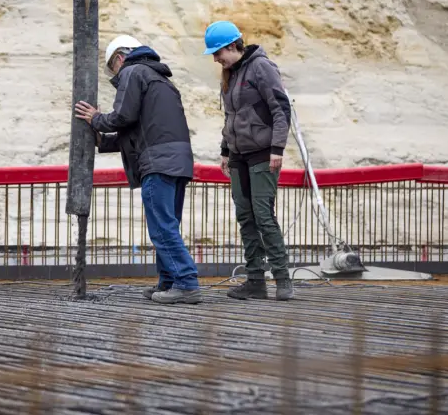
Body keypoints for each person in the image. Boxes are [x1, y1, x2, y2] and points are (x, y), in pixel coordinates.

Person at [74, 34, 202, 305]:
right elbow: (139, 130)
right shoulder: (162, 80)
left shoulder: (133, 71)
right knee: (169, 225)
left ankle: (187, 283)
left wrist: (96, 119)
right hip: (178, 161)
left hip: (157, 163)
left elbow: (123, 117)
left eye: (113, 68)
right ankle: (168, 282)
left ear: (120, 57)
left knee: (161, 227)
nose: (116, 74)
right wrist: (104, 141)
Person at [203, 21, 295, 301]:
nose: (215, 58)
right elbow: (231, 117)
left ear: (233, 46)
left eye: (217, 52)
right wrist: (225, 150)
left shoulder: (262, 67)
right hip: (238, 157)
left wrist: (277, 148)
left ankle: (282, 279)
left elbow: (280, 108)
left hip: (262, 155)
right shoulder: (228, 75)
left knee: (263, 215)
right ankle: (255, 280)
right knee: (246, 217)